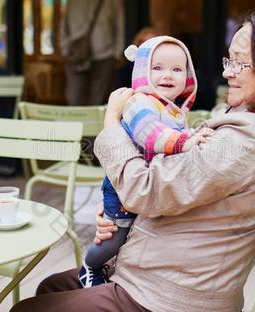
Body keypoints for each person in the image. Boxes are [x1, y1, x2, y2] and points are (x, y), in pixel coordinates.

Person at [7, 9, 255, 312]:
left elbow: (146, 188)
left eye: (241, 63)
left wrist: (111, 124)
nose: (229, 74)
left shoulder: (249, 137)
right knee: (51, 288)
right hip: (175, 279)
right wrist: (120, 210)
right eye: (229, 61)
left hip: (172, 303)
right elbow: (179, 189)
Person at [78, 36, 214, 287]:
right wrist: (188, 141)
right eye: (158, 68)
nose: (168, 75)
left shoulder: (176, 111)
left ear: (188, 75)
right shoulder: (139, 103)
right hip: (122, 186)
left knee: (133, 234)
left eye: (177, 69)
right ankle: (90, 266)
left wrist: (192, 136)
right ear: (142, 71)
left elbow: (176, 143)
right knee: (114, 237)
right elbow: (151, 136)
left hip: (147, 182)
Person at [60, 0, 125, 106]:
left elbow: (120, 24)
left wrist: (117, 53)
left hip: (104, 55)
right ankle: (75, 130)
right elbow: (64, 22)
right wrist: (65, 48)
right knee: (74, 99)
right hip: (77, 54)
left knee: (99, 101)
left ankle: (94, 131)